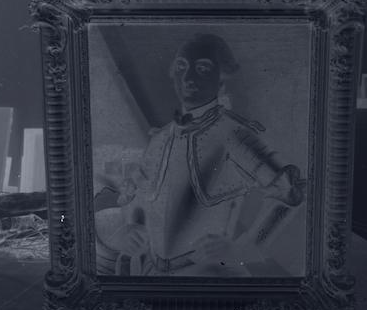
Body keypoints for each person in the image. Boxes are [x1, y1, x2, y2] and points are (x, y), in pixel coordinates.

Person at [95, 33, 306, 276]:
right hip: (152, 271)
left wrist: (242, 248)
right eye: (182, 67)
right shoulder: (160, 138)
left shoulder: (235, 134)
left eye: (202, 69)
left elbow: (289, 190)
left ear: (221, 79)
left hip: (210, 276)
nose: (188, 78)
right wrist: (131, 227)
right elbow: (137, 196)